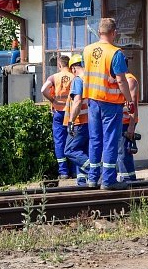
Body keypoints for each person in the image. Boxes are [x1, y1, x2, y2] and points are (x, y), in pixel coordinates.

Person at [82, 18, 135, 190]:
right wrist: (129, 99)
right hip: (110, 103)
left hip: (92, 101)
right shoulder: (115, 53)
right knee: (110, 140)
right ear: (114, 33)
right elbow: (121, 80)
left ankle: (92, 178)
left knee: (95, 139)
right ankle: (108, 180)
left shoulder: (87, 51)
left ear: (99, 32)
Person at [41, 56, 74, 180]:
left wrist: (52, 100)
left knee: (59, 141)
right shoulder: (74, 77)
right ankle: (75, 171)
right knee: (73, 140)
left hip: (59, 112)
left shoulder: (54, 77)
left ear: (59, 65)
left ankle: (63, 171)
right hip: (71, 113)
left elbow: (43, 90)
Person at [63, 54, 90, 186]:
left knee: (70, 150)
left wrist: (71, 121)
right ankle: (82, 181)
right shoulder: (89, 79)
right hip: (89, 122)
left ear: (73, 68)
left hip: (79, 122)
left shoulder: (78, 80)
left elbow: (77, 101)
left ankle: (96, 170)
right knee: (82, 152)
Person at [116, 71, 140, 185]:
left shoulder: (130, 80)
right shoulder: (120, 79)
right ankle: (127, 177)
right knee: (121, 151)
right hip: (120, 121)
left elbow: (133, 104)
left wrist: (131, 126)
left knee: (124, 151)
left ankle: (128, 179)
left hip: (126, 121)